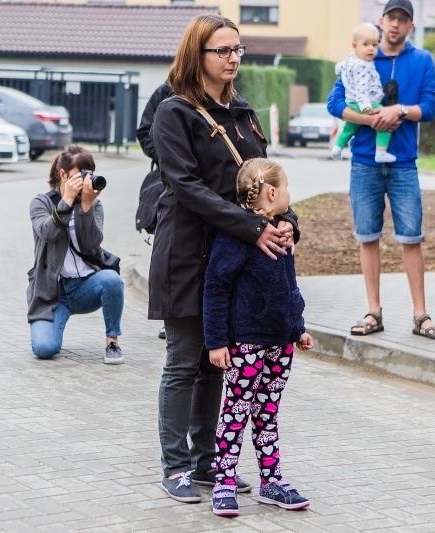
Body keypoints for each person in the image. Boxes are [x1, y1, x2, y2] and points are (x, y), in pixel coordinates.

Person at [148, 13, 299, 504]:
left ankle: (209, 463)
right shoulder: (175, 113)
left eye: (238, 50)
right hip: (189, 253)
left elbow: (263, 179)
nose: (234, 58)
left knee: (221, 363)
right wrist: (254, 228)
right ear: (199, 55)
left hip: (238, 258)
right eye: (223, 50)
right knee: (184, 360)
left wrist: (288, 222)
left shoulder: (245, 113)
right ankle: (176, 467)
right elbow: (185, 187)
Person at [326, 0, 435, 341]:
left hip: (404, 163)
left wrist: (400, 111)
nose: (395, 24)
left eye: (402, 20)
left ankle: (420, 315)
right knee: (367, 236)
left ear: (410, 27)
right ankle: (373, 311)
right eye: (390, 18)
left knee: (411, 237)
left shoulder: (422, 60)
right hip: (364, 161)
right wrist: (372, 119)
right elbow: (335, 103)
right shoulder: (361, 57)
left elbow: (431, 107)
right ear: (381, 22)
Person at [204, 158, 313, 517]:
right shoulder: (235, 237)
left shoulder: (283, 230)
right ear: (270, 192)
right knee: (236, 412)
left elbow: (287, 286)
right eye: (286, 188)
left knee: (268, 412)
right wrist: (217, 341)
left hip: (280, 342)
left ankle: (271, 482)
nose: (289, 195)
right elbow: (216, 288)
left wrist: (297, 328)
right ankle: (224, 481)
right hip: (245, 343)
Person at [27, 145, 125, 364]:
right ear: (63, 175)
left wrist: (87, 208)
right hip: (53, 293)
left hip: (85, 287)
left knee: (112, 279)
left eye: (88, 175)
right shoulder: (41, 203)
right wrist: (68, 201)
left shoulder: (93, 205)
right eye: (78, 177)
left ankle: (112, 342)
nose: (84, 182)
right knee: (44, 349)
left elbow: (92, 243)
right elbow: (48, 233)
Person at [136, 81, 173, 341]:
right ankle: (169, 318)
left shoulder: (223, 89)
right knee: (168, 251)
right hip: (170, 183)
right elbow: (144, 130)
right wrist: (168, 158)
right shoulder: (166, 91)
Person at [331, 22, 396, 164]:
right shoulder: (363, 66)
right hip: (366, 103)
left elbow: (339, 68)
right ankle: (381, 152)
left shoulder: (350, 60)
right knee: (385, 121)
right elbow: (362, 88)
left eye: (374, 45)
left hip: (351, 103)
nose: (371, 49)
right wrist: (366, 106)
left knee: (349, 127)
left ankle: (337, 148)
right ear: (355, 46)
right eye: (365, 45)